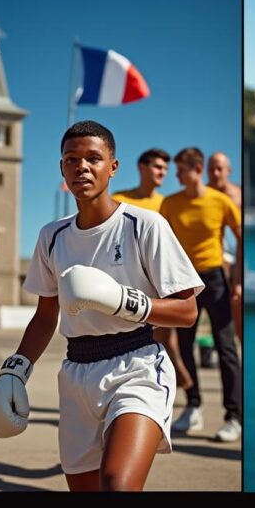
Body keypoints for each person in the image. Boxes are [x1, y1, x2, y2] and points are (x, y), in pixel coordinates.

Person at [0, 120, 203, 491]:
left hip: (137, 367)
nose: (82, 166)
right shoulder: (51, 236)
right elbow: (44, 315)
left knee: (117, 484)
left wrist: (124, 301)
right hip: (75, 375)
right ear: (62, 168)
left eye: (93, 158)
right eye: (72, 159)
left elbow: (187, 311)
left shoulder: (143, 225)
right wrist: (14, 370)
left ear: (112, 167)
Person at [161, 147, 243, 442]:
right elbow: (160, 242)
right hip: (183, 282)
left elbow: (240, 232)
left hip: (214, 278)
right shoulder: (170, 203)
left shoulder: (219, 201)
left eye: (181, 169)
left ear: (195, 170)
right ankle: (193, 405)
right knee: (184, 346)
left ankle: (234, 416)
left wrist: (237, 278)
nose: (177, 175)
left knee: (226, 348)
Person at [112, 148, 194, 390]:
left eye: (166, 169)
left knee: (165, 335)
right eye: (158, 167)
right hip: (125, 279)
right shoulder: (119, 200)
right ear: (142, 167)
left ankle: (179, 380)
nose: (163, 173)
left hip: (157, 281)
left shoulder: (165, 204)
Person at [206, 151, 243, 342]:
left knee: (237, 322)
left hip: (234, 262)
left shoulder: (237, 197)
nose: (215, 173)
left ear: (229, 171)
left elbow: (240, 238)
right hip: (212, 264)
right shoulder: (202, 196)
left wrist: (238, 281)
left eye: (220, 169)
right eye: (211, 169)